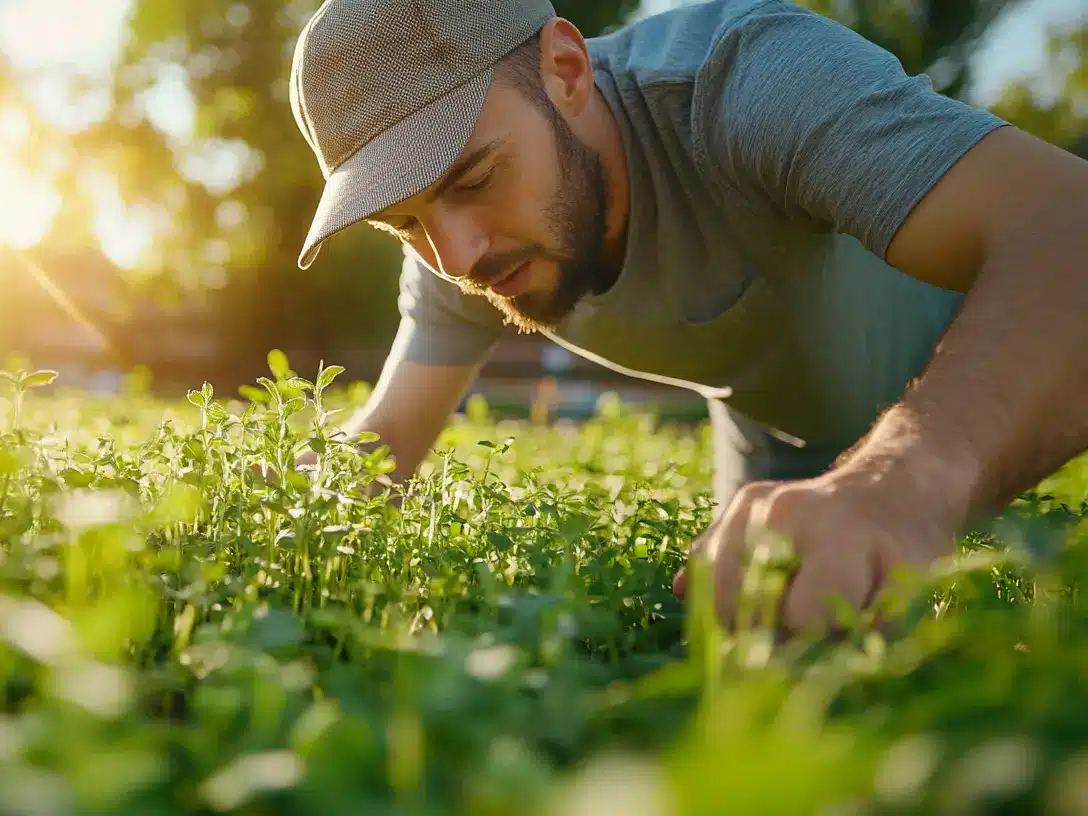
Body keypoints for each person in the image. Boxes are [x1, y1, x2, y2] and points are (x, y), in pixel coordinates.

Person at [286, 0, 1088, 636]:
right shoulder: (459, 244)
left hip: (1005, 387)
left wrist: (900, 485)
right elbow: (381, 447)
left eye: (473, 176)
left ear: (565, 69)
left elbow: (1069, 234)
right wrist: (266, 503)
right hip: (785, 455)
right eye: (405, 223)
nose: (454, 257)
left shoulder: (746, 80)